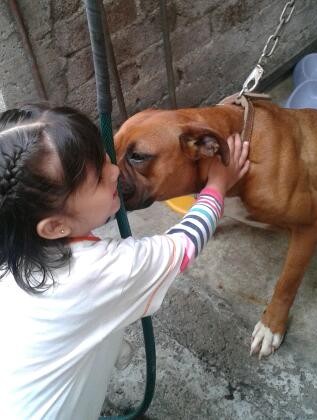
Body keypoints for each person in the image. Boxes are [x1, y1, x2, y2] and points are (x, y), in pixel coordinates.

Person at [0, 104, 249, 419]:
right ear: (54, 226)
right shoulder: (98, 272)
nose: (116, 171)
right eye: (101, 178)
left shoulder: (15, 243)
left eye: (106, 157)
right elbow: (187, 241)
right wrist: (217, 184)